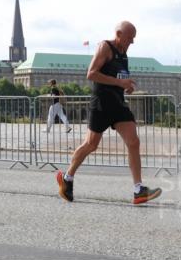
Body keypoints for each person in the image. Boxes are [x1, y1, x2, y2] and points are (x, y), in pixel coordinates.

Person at [55, 21, 161, 205]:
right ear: (119, 34)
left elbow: (118, 77)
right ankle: (67, 178)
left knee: (133, 142)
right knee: (90, 145)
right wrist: (120, 83)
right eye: (130, 38)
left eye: (133, 39)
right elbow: (91, 74)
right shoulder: (105, 47)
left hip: (118, 104)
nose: (132, 42)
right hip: (101, 105)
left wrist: (127, 85)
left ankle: (138, 190)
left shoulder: (124, 53)